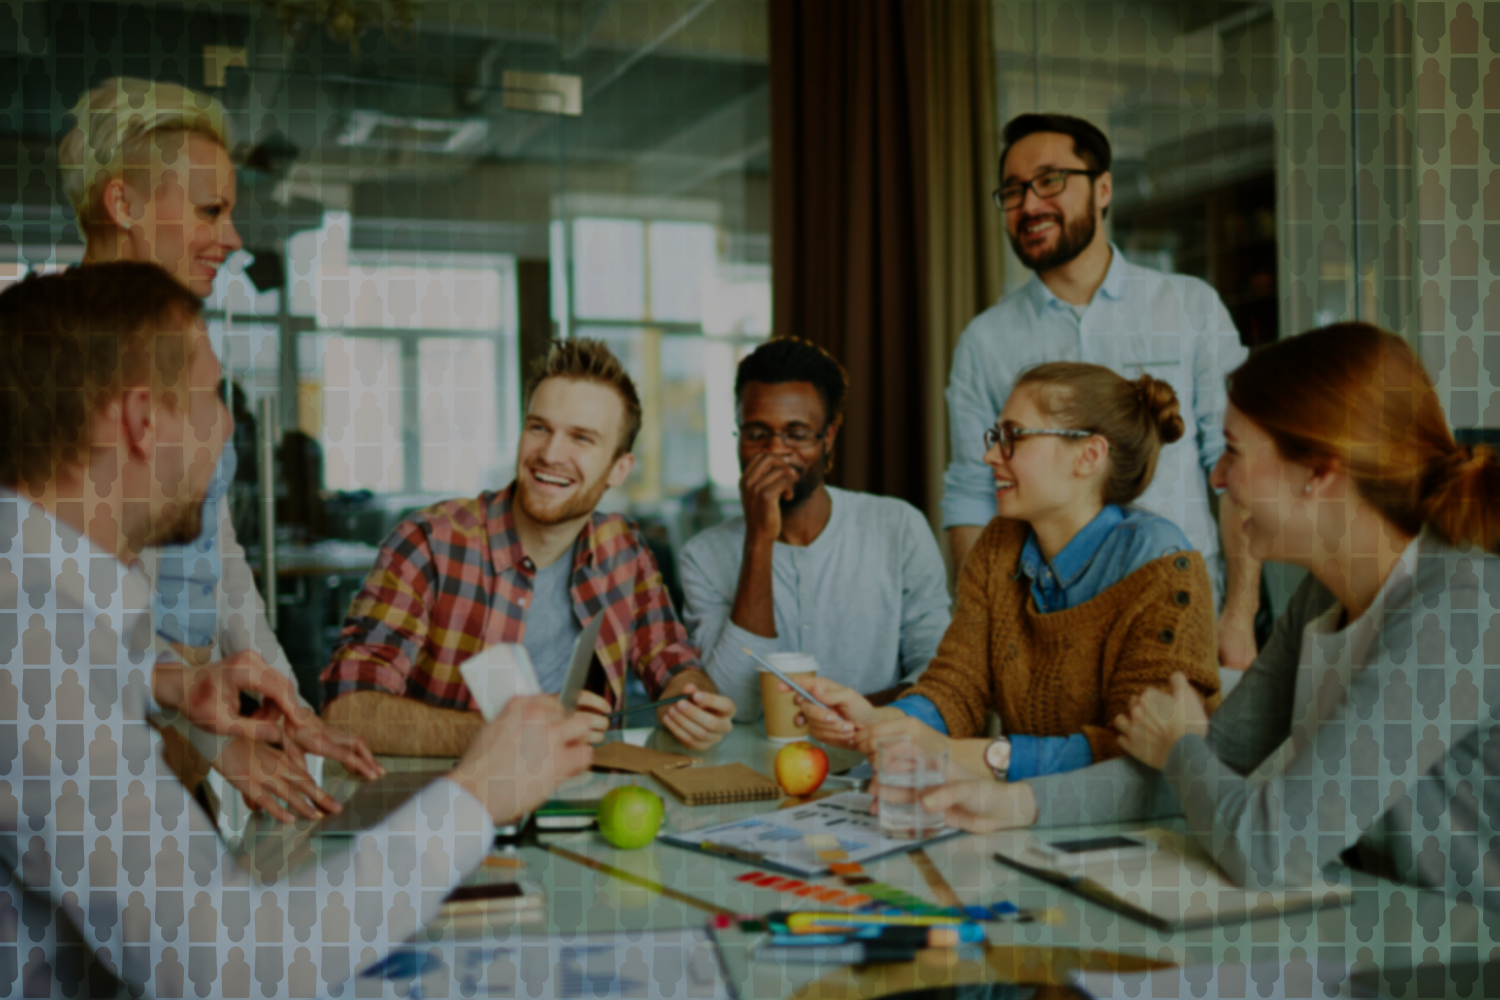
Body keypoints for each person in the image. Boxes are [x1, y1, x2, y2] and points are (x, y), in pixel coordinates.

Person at [0, 263, 596, 997]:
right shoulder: (35, 652)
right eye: (212, 396)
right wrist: (479, 793)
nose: (228, 427)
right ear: (141, 421)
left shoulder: (32, 601)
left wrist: (164, 682)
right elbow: (232, 963)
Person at [923, 323, 1500, 905]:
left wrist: (1181, 747)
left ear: (1316, 473)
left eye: (1234, 451)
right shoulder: (1320, 599)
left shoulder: (1459, 611)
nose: (1218, 477)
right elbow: (1207, 763)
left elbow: (1269, 847)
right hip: (1388, 935)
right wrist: (1013, 803)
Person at [58, 76, 380, 816]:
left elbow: (220, 566)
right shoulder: (45, 366)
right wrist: (207, 737)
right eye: (211, 211)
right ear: (123, 205)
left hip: (184, 754)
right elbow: (56, 613)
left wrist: (294, 714)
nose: (234, 238)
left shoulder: (178, 357)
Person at [791, 363, 1221, 782]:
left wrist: (970, 754)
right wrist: (884, 721)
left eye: (1014, 436)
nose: (990, 454)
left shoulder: (1164, 571)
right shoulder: (1001, 546)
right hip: (1017, 821)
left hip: (1142, 841)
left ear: (1089, 455)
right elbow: (959, 685)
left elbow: (1135, 754)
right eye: (997, 436)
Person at [941, 112, 1261, 671]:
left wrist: (1238, 614)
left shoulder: (1189, 307)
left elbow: (1240, 466)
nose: (1029, 204)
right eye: (1013, 191)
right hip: (1050, 626)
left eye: (1049, 180)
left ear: (1104, 187)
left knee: (1180, 756)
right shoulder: (986, 341)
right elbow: (973, 496)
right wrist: (989, 631)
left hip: (1185, 609)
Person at [320, 338, 738, 756]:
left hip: (589, 802)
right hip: (453, 805)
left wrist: (692, 698)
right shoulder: (429, 542)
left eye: (581, 438)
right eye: (539, 427)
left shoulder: (625, 550)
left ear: (618, 469)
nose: (551, 453)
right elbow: (348, 711)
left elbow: (671, 657)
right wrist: (513, 734)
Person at [679, 338, 952, 722]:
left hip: (874, 764)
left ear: (830, 436)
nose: (776, 451)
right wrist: (759, 540)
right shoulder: (703, 556)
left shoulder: (898, 527)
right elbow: (734, 702)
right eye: (756, 433)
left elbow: (940, 674)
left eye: (797, 433)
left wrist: (844, 716)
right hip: (752, 774)